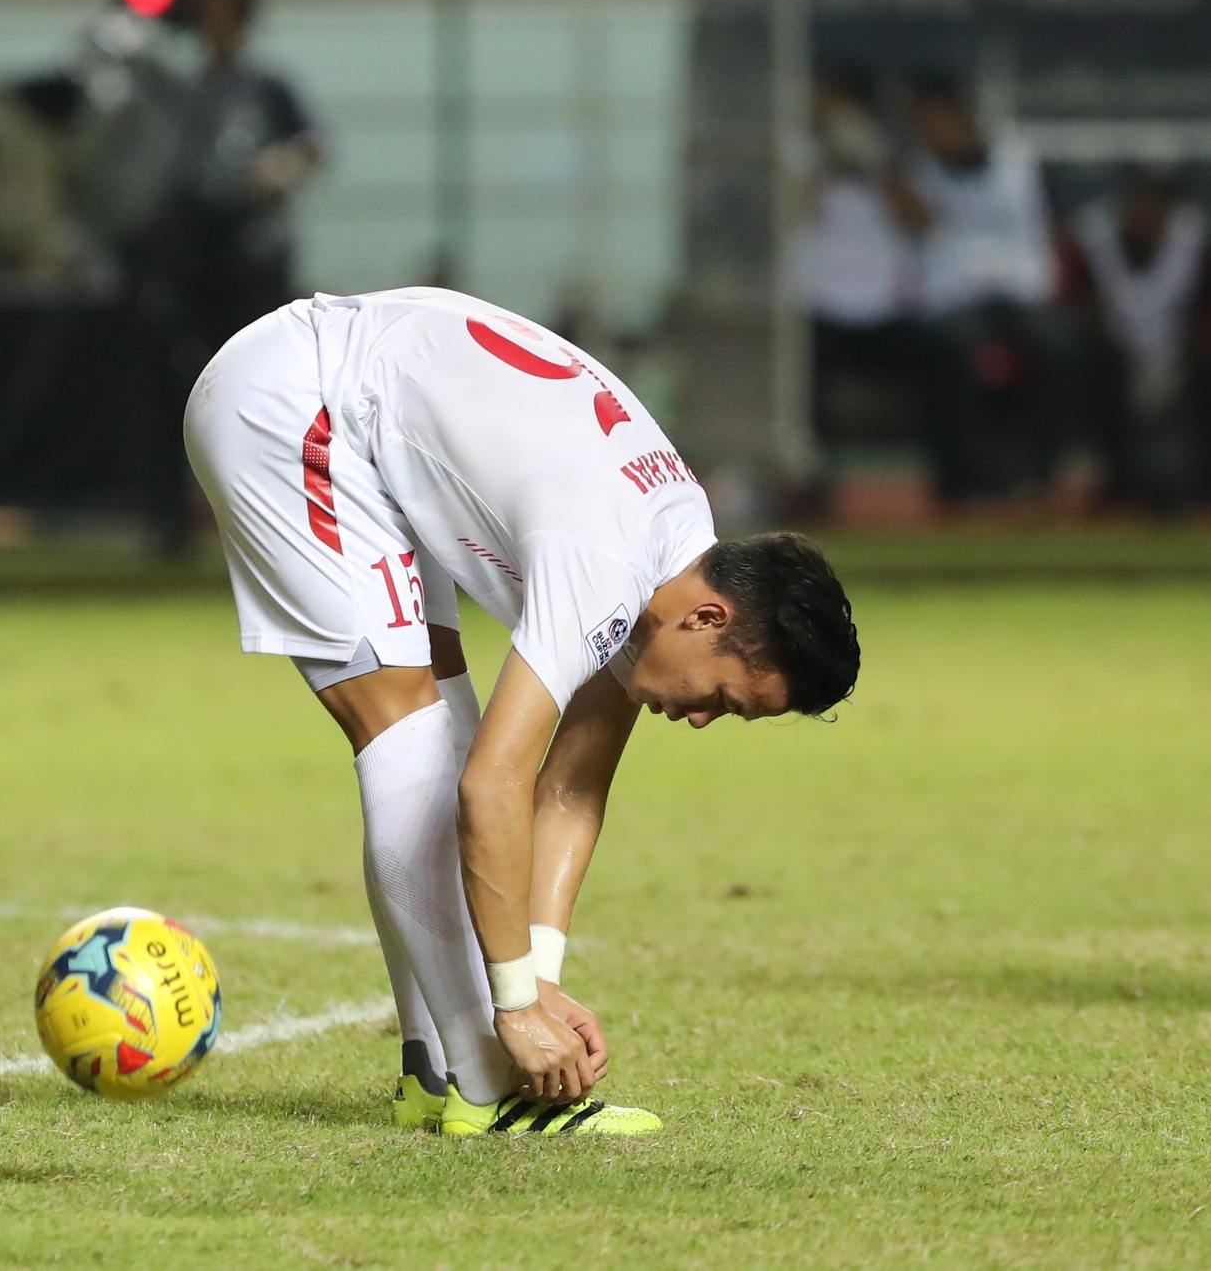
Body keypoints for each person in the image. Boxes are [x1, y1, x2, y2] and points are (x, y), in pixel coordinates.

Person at [185, 287, 859, 1136]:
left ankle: (435, 1070)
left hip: (364, 418)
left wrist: (538, 975)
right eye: (723, 700)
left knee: (449, 738)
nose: (699, 722)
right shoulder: (607, 565)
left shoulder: (680, 545)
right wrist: (515, 1006)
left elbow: (571, 788)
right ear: (710, 618)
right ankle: (486, 1084)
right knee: (424, 744)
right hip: (295, 402)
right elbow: (489, 789)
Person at [137, 0, 322, 554]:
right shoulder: (177, 88)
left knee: (266, 386)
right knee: (176, 381)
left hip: (252, 254)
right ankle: (172, 523)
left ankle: (274, 522)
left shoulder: (267, 85)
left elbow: (311, 144)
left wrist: (279, 168)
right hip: (189, 251)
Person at [896, 74, 1078, 504]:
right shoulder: (918, 175)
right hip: (957, 300)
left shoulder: (1020, 164)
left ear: (963, 119)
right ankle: (967, 482)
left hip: (1022, 294)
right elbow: (918, 222)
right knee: (949, 353)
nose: (930, 134)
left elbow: (1054, 231)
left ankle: (1037, 475)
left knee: (1061, 350)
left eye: (936, 123)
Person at [1066, 169, 1211, 508]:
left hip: (1181, 356)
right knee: (1081, 368)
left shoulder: (1194, 242)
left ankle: (1198, 488)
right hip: (1114, 354)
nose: (1146, 216)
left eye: (1156, 208)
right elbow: (1074, 299)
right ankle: (1116, 487)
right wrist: (1100, 329)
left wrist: (1189, 345)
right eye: (1139, 206)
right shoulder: (1094, 239)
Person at [798, 70, 917, 445]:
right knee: (795, 363)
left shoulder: (891, 161)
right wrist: (825, 163)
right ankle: (813, 462)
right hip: (818, 304)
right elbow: (794, 212)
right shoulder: (801, 155)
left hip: (885, 305)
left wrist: (877, 164)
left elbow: (920, 220)